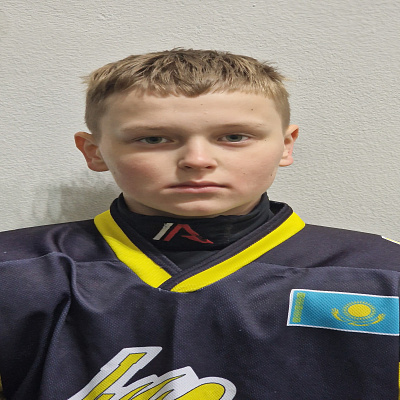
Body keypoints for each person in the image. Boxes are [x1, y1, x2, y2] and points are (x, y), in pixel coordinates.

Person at [0, 49, 399, 400]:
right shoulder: (13, 270)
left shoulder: (383, 274)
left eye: (235, 136)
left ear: (285, 145)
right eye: (153, 139)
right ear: (94, 151)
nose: (197, 160)